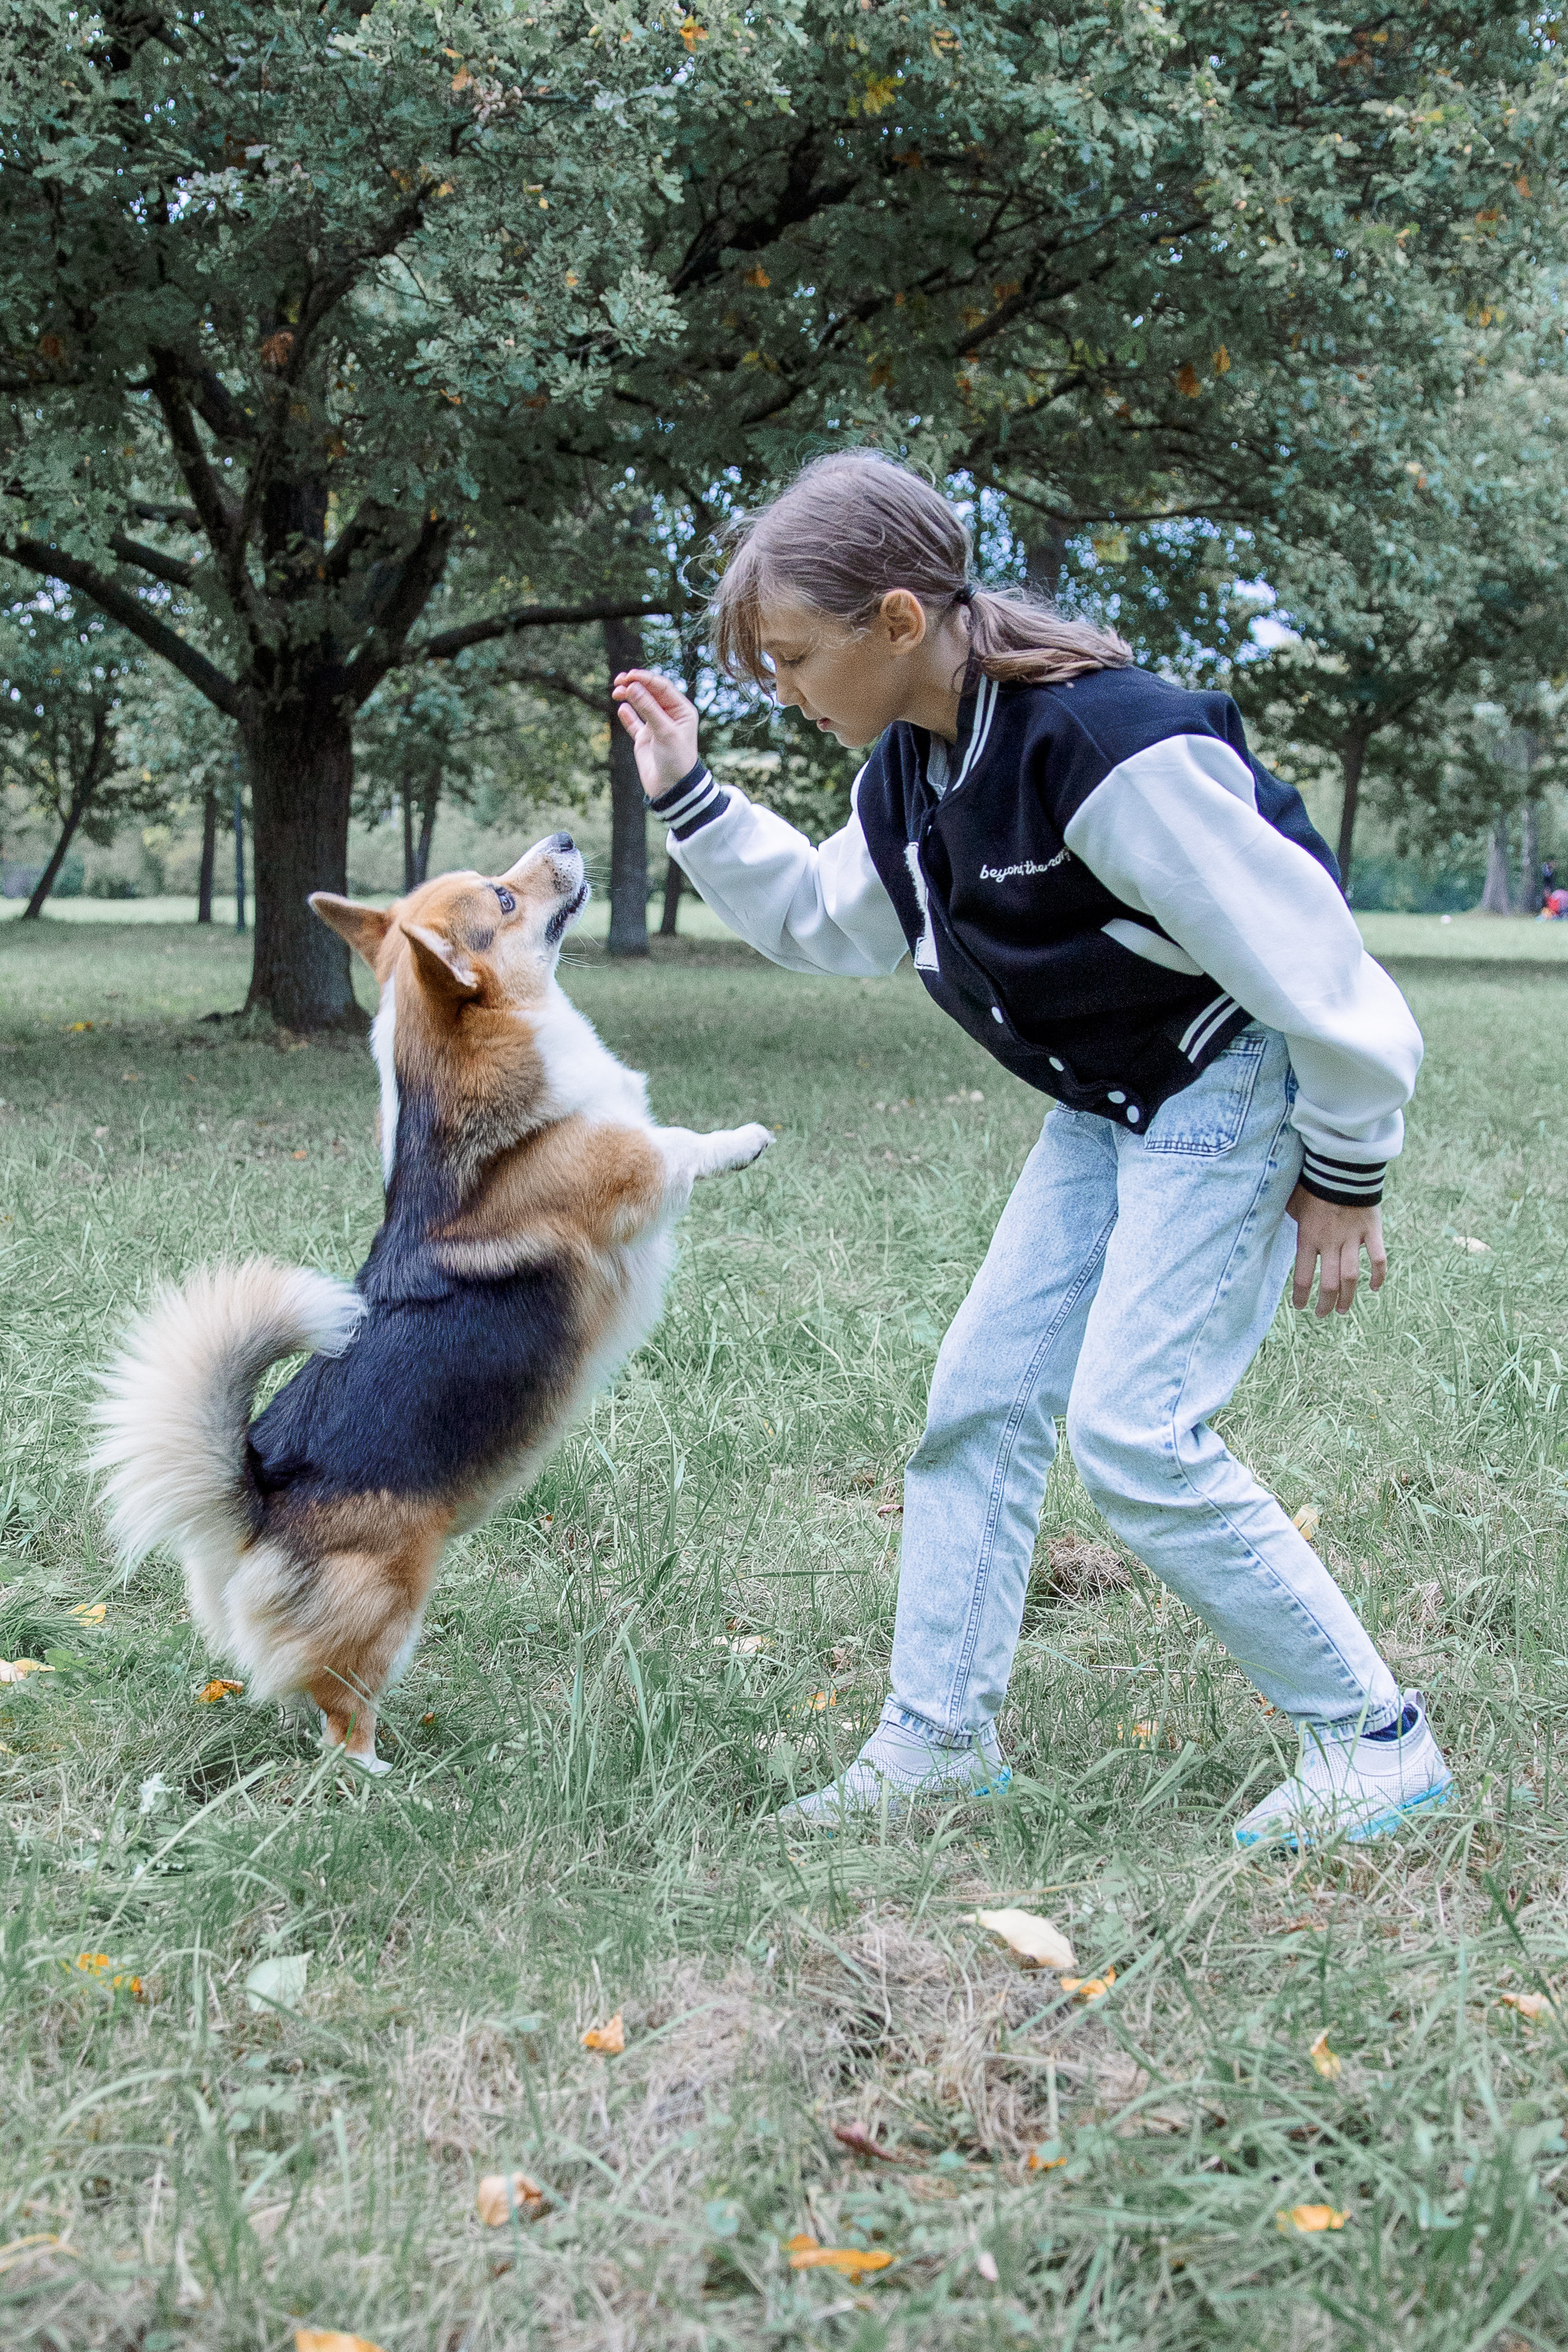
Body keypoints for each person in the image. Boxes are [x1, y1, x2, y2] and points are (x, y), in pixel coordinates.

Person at [611, 450, 1452, 1851]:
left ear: (895, 620)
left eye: (793, 657)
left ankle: (1371, 1741)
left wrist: (1342, 1171)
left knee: (1132, 1432)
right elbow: (834, 923)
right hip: (1106, 1102)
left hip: (1225, 1079)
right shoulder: (914, 768)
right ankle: (937, 1739)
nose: (785, 692)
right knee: (980, 1399)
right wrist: (692, 793)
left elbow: (1316, 967)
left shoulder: (1105, 747)